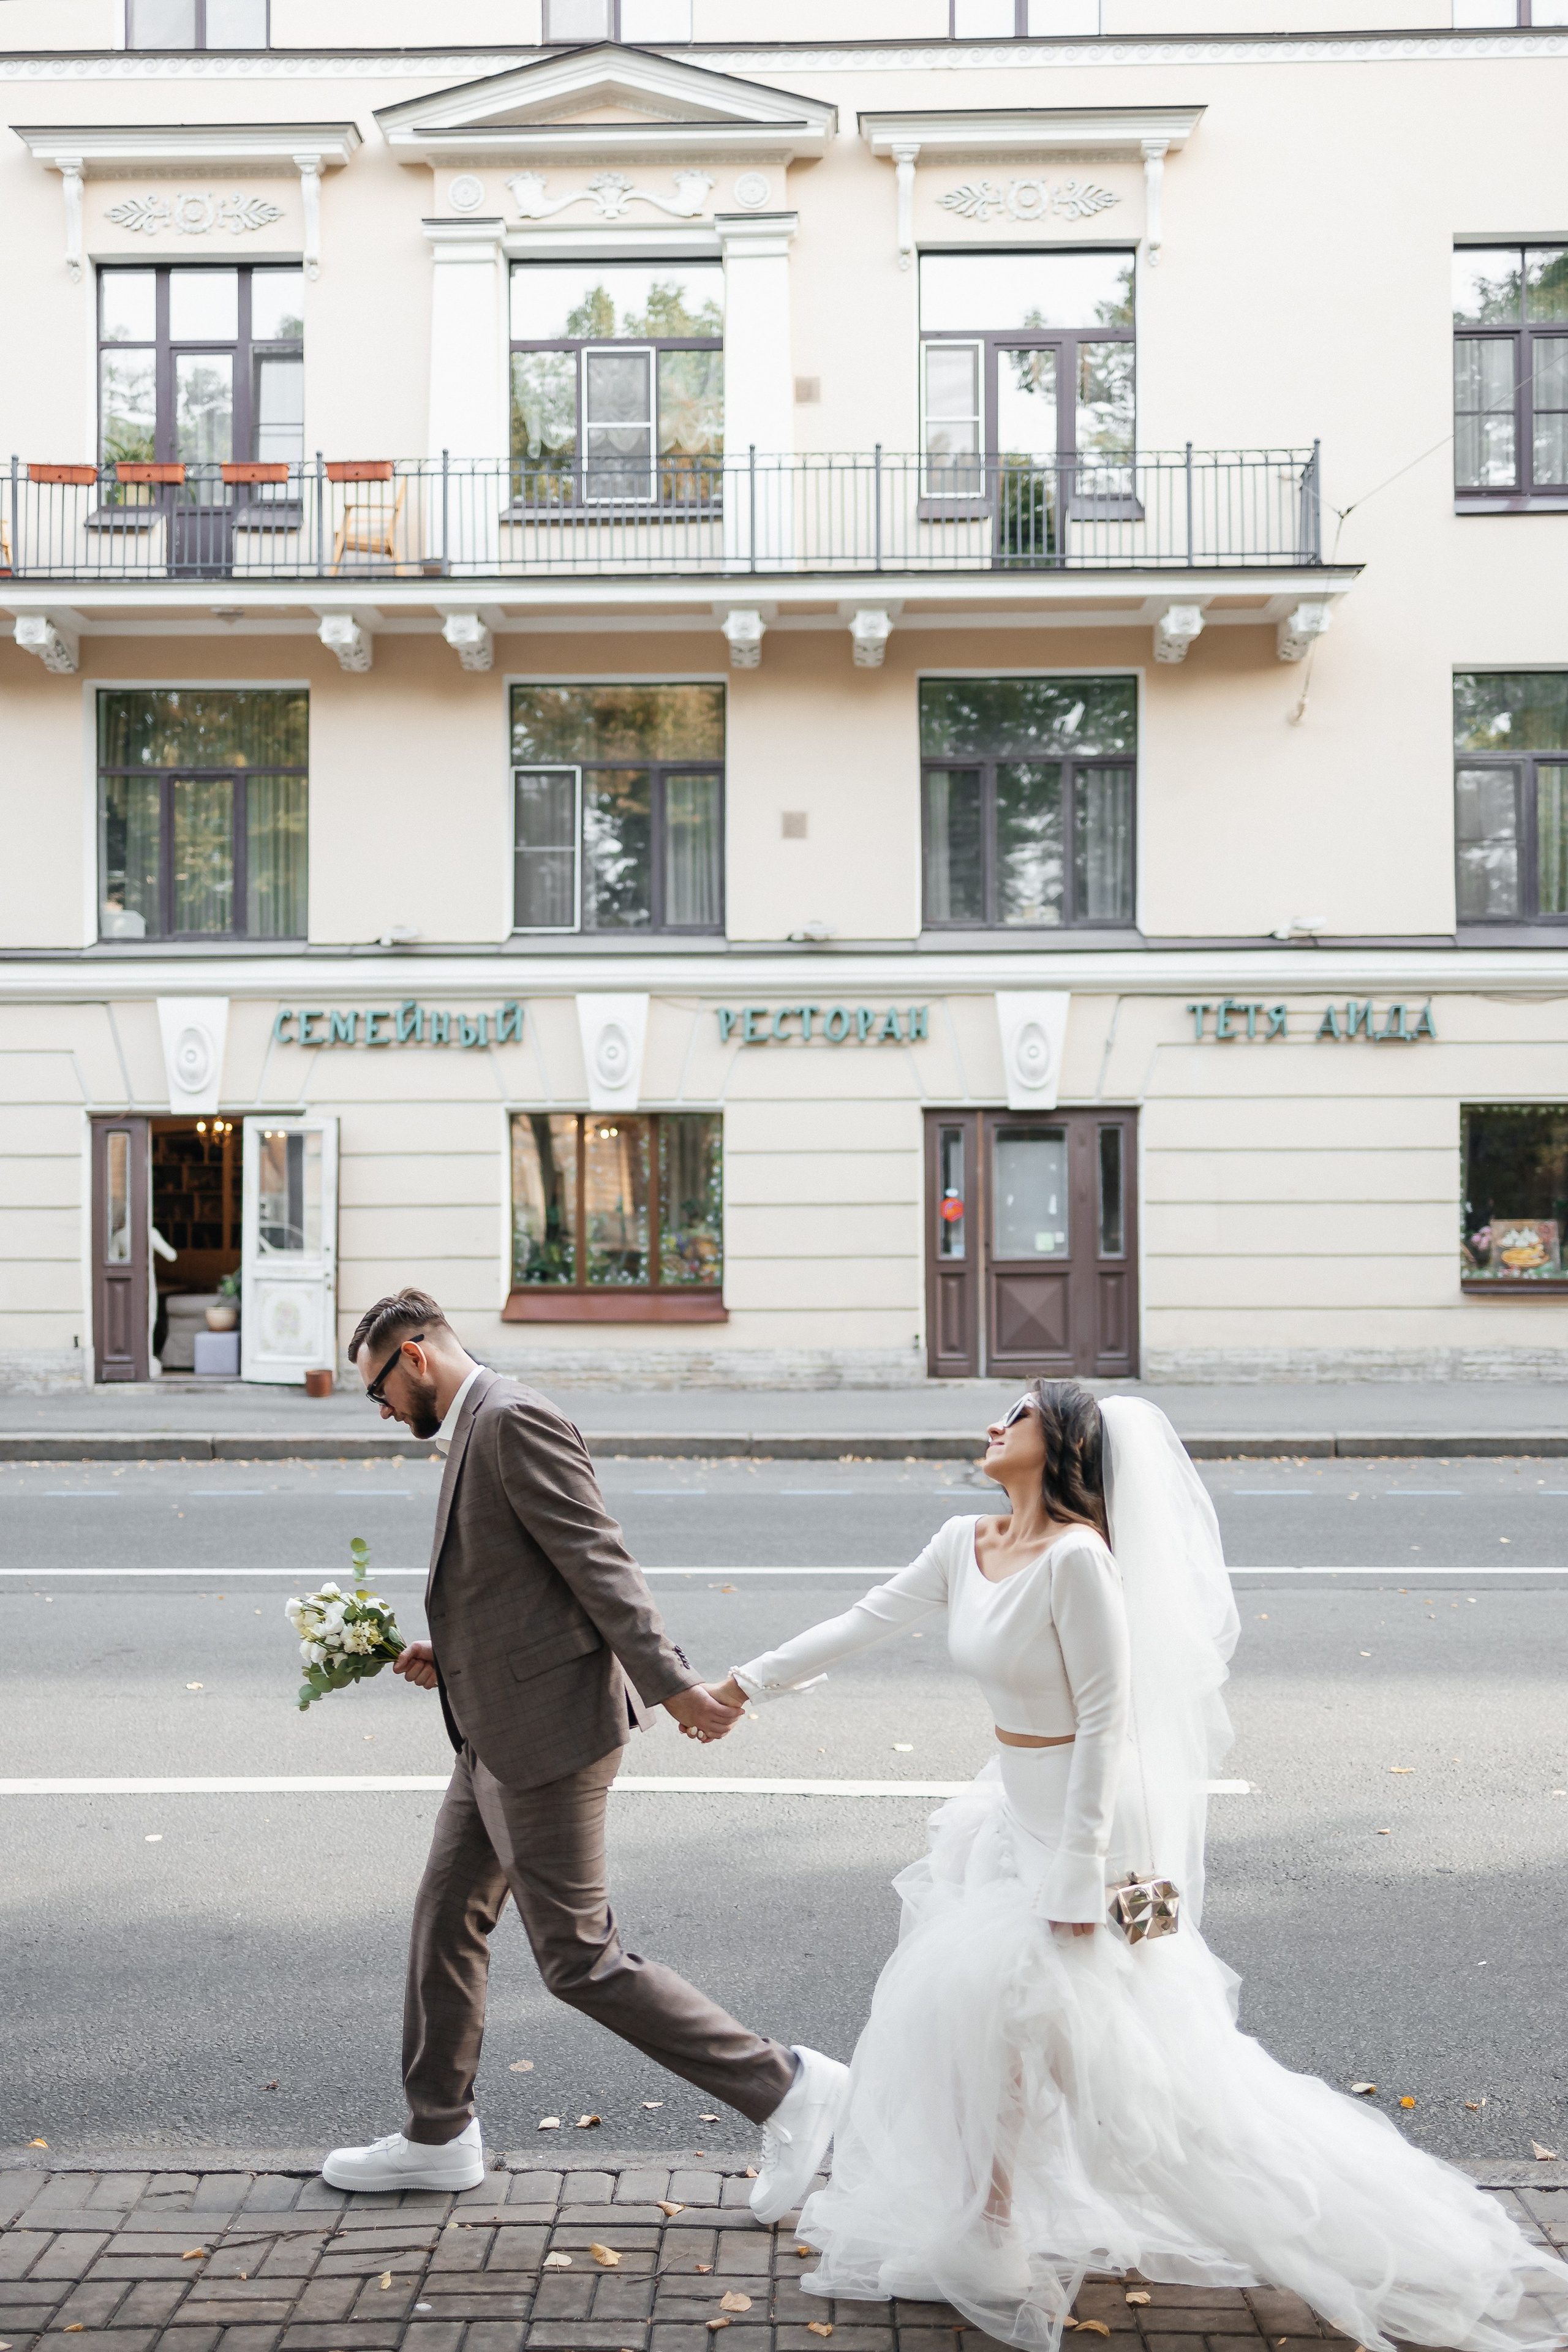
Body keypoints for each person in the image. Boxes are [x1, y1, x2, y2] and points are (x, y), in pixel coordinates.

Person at [705, 1382, 1568, 2352]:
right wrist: (743, 1685)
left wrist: (1079, 1880)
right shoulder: (968, 1542)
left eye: (1019, 1416)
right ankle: (990, 2230)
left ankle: (1361, 2234)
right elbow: (864, 1620)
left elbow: (1112, 1728)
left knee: (1158, 2069)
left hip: (1108, 1842)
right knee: (994, 2030)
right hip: (1012, 1814)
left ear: (1063, 1447)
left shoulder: (1079, 1561)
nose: (995, 1425)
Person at [320, 1287, 846, 2213]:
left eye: (377, 1391)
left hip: (549, 1737)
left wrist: (676, 1687)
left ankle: (792, 2089)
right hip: (490, 1725)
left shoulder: (514, 1417)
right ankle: (438, 2135)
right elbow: (528, 1579)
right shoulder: (475, 1424)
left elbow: (598, 1562)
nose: (380, 1411)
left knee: (580, 1960)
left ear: (413, 1356)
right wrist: (451, 1657)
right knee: (446, 1921)